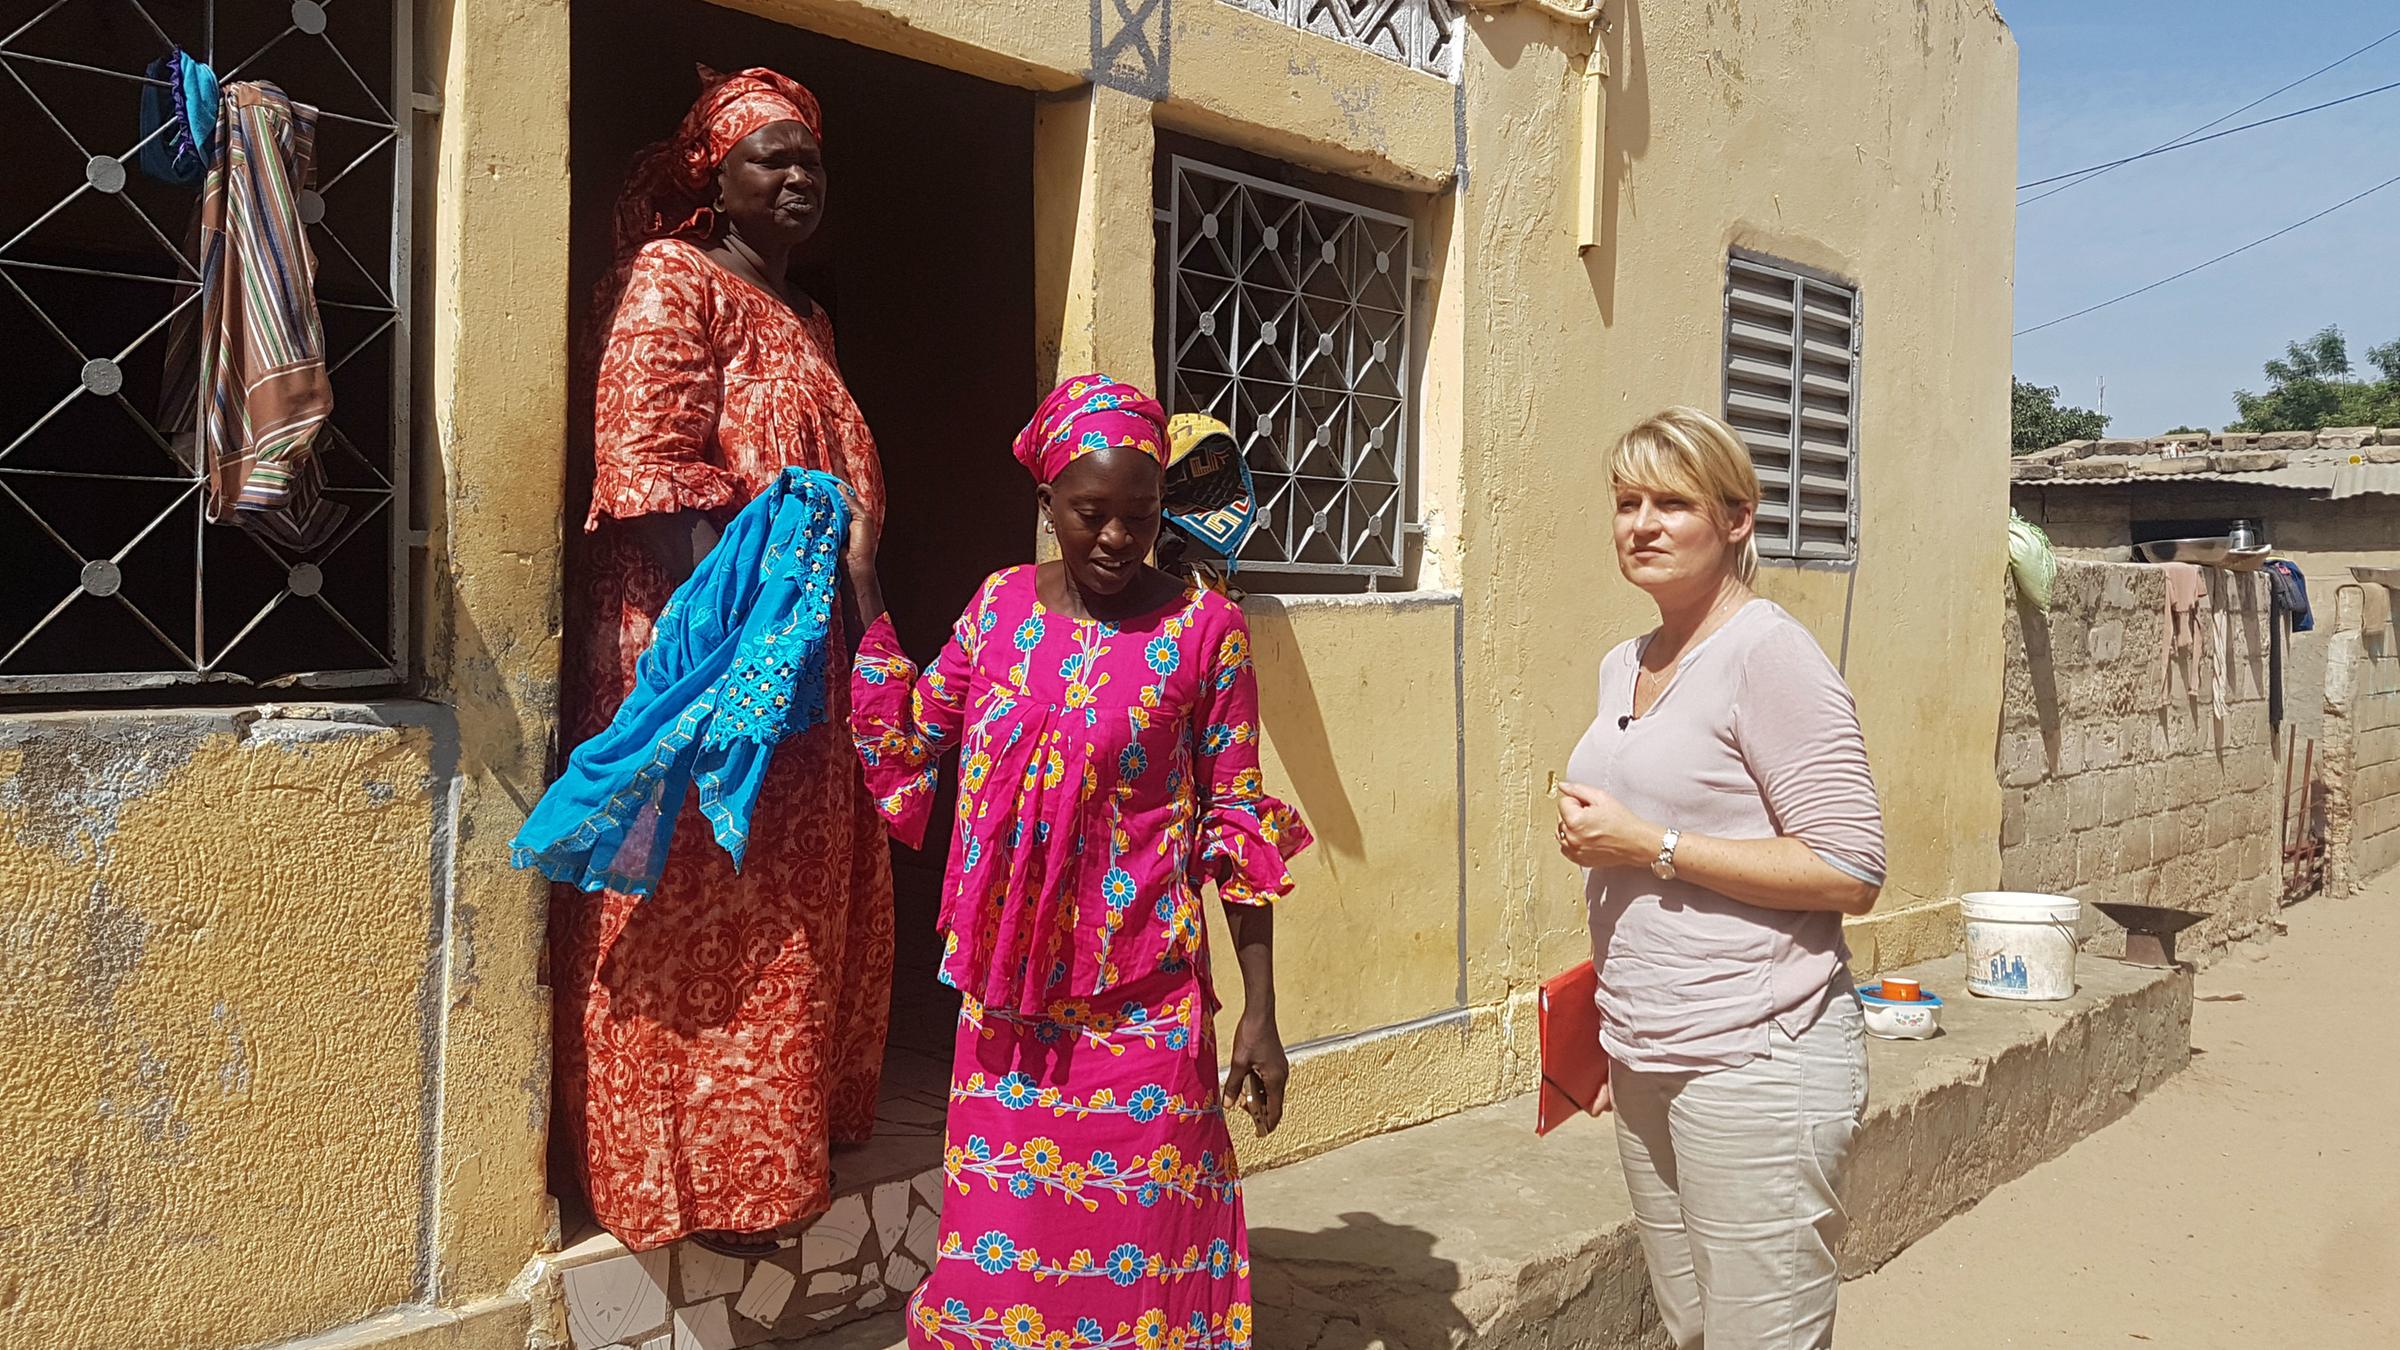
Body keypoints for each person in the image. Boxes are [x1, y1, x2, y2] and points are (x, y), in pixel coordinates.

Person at [842, 375, 1308, 1350]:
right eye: (1090, 515)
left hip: (1144, 1008)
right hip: (1010, 1020)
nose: (1113, 539)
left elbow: (1235, 823)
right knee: (1000, 1262)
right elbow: (916, 738)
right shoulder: (999, 607)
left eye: (1138, 519)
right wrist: (865, 585)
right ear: (1048, 501)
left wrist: (1261, 1013)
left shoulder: (1205, 635)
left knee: (1144, 1268)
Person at [548, 65, 893, 1256]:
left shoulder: (809, 319)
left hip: (803, 649)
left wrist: (836, 628)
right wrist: (752, 640)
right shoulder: (672, 279)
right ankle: (687, 1183)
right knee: (698, 901)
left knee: (787, 906)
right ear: (715, 175)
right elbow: (645, 468)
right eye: (771, 159)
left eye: (812, 163)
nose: (798, 180)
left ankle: (776, 1155)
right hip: (706, 642)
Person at [1555, 406, 1886, 1349]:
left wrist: (1648, 844)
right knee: (1692, 1328)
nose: (1642, 525)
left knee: (1761, 1337)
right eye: (1627, 503)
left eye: (1672, 503)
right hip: (1650, 1049)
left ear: (1737, 521)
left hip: (1758, 1056)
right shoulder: (1627, 661)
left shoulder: (1767, 653)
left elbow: (1850, 866)